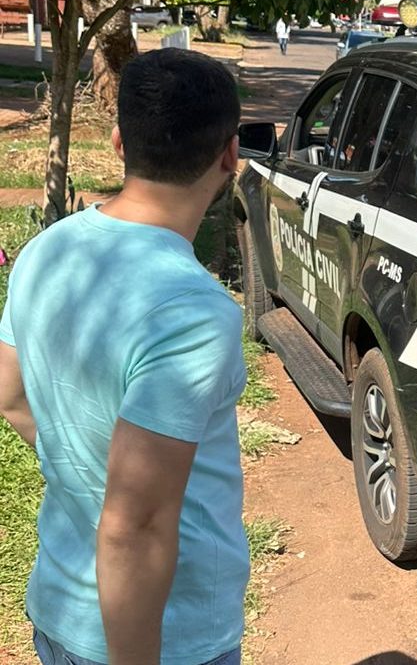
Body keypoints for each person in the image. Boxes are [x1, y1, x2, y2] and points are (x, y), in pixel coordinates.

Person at [0, 48, 248, 665]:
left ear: (118, 143)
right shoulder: (194, 312)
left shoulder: (46, 250)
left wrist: (82, 469)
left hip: (61, 607)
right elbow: (133, 526)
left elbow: (10, 393)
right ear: (230, 154)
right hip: (165, 638)